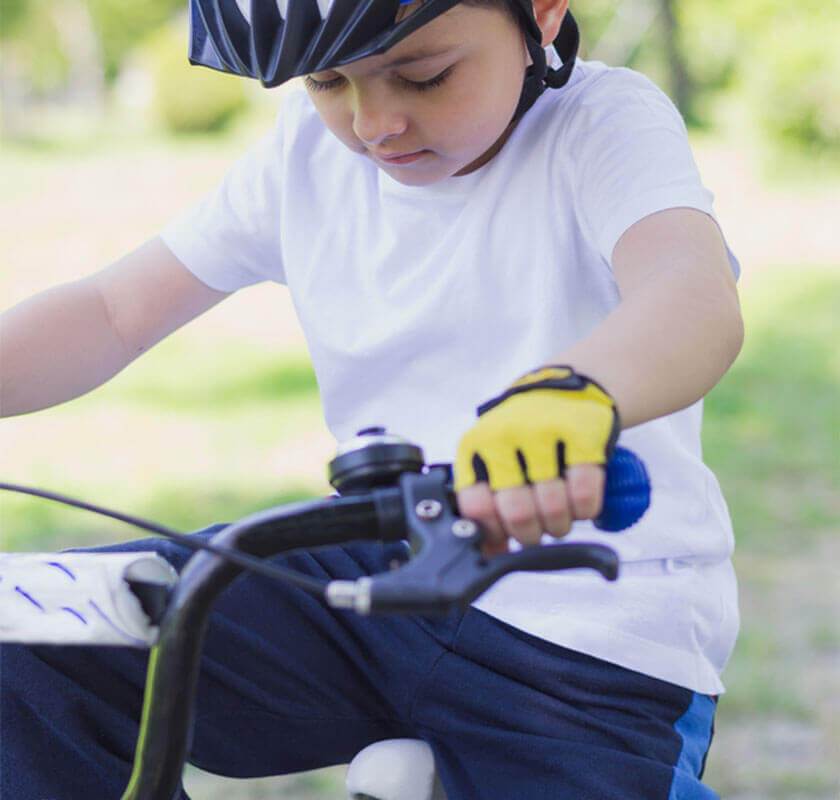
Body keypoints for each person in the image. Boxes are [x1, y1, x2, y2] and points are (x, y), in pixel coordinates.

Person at [0, 0, 744, 797]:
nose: (373, 123)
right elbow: (114, 310)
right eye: (327, 81)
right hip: (372, 580)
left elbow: (690, 295)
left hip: (584, 631)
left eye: (424, 75)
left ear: (541, 13)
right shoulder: (306, 154)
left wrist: (570, 393)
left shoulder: (601, 123)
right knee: (31, 633)